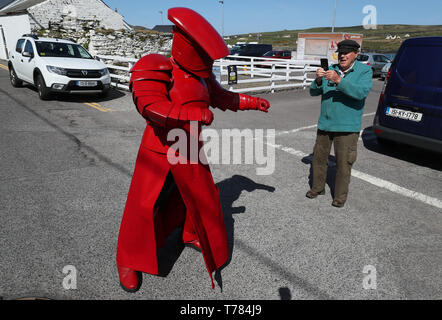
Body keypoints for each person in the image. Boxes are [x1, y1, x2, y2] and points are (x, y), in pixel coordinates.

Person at [116, 7, 270, 293]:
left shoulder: (202, 77)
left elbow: (223, 97)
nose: (207, 60)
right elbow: (149, 106)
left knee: (198, 199)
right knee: (143, 207)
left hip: (189, 148)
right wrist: (190, 116)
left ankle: (189, 233)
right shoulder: (156, 65)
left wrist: (251, 101)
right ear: (187, 44)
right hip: (158, 151)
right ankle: (128, 260)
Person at [306, 39, 372, 208]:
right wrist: (319, 80)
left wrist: (339, 81)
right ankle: (317, 188)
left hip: (347, 126)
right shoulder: (332, 69)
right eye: (341, 52)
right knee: (319, 160)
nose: (343, 55)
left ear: (356, 54)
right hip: (325, 124)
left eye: (347, 52)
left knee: (344, 164)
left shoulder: (364, 71)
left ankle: (340, 196)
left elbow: (361, 93)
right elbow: (313, 92)